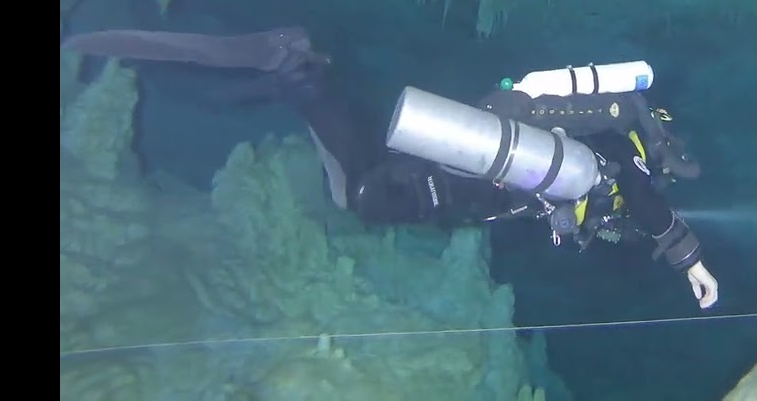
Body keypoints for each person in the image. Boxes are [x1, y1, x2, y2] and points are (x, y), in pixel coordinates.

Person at [59, 27, 719, 309]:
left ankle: (300, 74)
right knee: (358, 193)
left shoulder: (583, 173)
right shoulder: (604, 171)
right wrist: (687, 256)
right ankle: (293, 67)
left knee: (359, 177)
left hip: (443, 165)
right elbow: (634, 190)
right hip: (438, 182)